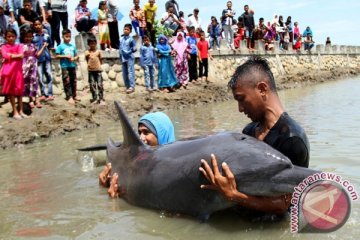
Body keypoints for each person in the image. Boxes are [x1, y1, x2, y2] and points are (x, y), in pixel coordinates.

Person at [199, 56, 310, 215]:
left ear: (262, 89)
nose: (240, 108)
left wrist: (234, 196)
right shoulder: (249, 131)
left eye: (241, 99)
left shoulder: (292, 139)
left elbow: (284, 205)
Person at [99, 111, 176, 197]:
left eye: (146, 132)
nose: (141, 138)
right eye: (139, 133)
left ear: (162, 135)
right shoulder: (137, 163)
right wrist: (104, 185)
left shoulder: (174, 167)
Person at [0, 28, 27, 119]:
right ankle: (15, 111)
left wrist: (11, 56)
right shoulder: (3, 47)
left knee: (19, 91)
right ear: (5, 37)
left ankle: (21, 111)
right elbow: (5, 55)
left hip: (18, 72)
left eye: (12, 36)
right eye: (8, 36)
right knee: (11, 93)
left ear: (16, 37)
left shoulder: (19, 46)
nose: (11, 38)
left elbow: (22, 55)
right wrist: (16, 56)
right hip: (8, 72)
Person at [55, 29, 79, 104]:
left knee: (74, 81)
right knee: (67, 81)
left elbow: (76, 55)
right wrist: (65, 56)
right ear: (62, 36)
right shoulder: (60, 46)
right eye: (66, 36)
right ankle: (69, 96)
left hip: (72, 65)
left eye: (69, 36)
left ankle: (74, 95)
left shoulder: (73, 46)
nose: (68, 38)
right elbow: (57, 56)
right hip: (65, 66)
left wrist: (74, 58)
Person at [33, 18, 54, 101]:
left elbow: (50, 47)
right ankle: (43, 94)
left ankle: (50, 94)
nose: (37, 26)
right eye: (35, 25)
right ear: (34, 26)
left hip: (47, 58)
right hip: (38, 60)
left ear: (42, 25)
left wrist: (50, 55)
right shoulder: (33, 37)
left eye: (39, 24)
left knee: (49, 75)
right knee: (40, 77)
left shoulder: (47, 36)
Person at [21, 27, 42, 109]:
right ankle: (30, 100)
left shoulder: (34, 45)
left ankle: (37, 99)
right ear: (23, 37)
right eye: (26, 36)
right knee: (28, 83)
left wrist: (43, 47)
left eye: (30, 36)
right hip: (25, 67)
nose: (28, 38)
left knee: (35, 82)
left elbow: (37, 55)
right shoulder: (21, 46)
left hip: (33, 67)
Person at [85, 36, 105, 105]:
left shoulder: (98, 52)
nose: (92, 45)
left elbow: (100, 60)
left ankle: (101, 99)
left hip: (98, 70)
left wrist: (98, 66)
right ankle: (94, 98)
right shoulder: (87, 52)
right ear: (88, 44)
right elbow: (87, 60)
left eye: (93, 43)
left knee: (100, 84)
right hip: (91, 71)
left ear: (96, 43)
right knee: (92, 85)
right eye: (90, 43)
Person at [119, 23, 136, 94]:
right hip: (123, 58)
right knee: (124, 73)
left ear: (130, 31)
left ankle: (132, 87)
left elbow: (134, 48)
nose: (125, 30)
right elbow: (120, 48)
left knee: (131, 72)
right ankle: (127, 86)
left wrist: (129, 51)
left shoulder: (131, 39)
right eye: (124, 29)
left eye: (127, 29)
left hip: (129, 58)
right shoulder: (121, 39)